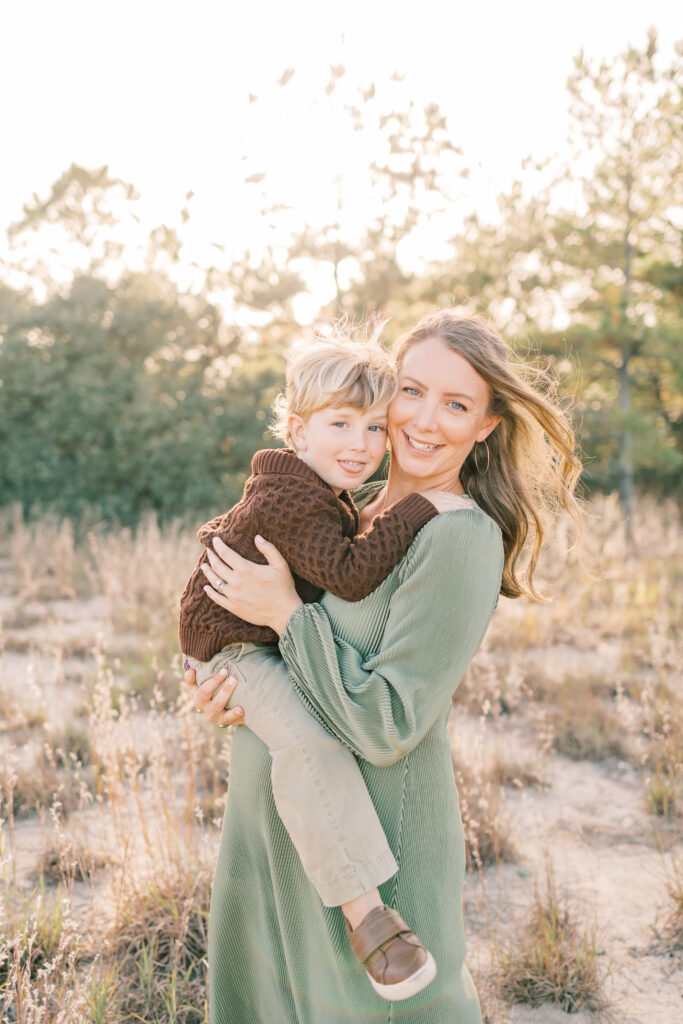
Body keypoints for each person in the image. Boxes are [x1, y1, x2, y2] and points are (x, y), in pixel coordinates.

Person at [187, 310, 582, 1023]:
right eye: (411, 391)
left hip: (377, 853)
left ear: (485, 425)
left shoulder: (456, 534)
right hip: (274, 834)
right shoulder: (348, 507)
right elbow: (285, 667)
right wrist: (225, 690)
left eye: (456, 405)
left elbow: (386, 724)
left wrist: (286, 615)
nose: (424, 421)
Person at [179, 328, 470, 1001]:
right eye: (340, 423)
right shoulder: (294, 500)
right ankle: (368, 918)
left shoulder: (316, 492)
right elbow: (347, 574)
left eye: (374, 427)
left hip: (247, 644)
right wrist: (427, 506)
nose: (361, 445)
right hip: (235, 651)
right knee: (309, 746)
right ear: (296, 430)